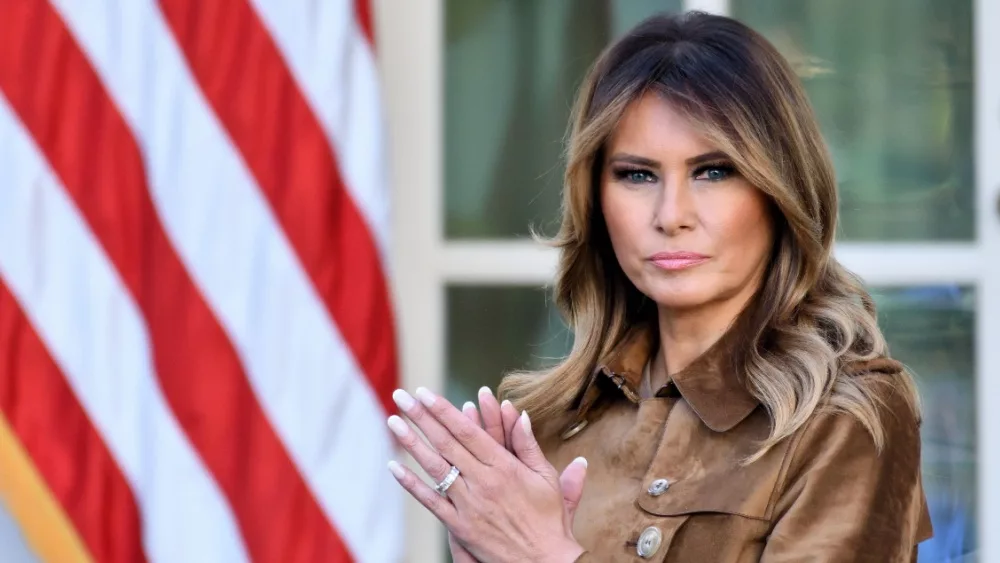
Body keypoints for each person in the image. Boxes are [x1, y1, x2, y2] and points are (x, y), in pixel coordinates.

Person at [385, 10, 933, 562]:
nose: (671, 215)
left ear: (780, 188)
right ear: (595, 199)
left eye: (714, 171)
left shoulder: (848, 419)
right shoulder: (551, 422)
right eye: (637, 174)